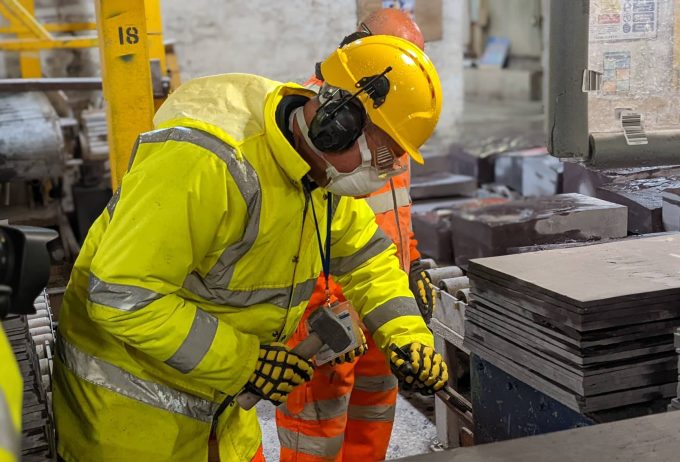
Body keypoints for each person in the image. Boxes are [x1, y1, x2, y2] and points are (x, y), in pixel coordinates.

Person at [52, 35, 447, 462]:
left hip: (219, 405)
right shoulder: (206, 163)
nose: (383, 173)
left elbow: (368, 260)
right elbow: (121, 294)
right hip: (131, 418)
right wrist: (247, 363)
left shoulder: (319, 172)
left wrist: (408, 338)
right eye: (385, 155)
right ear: (339, 124)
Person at [276, 9, 437, 462]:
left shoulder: (395, 116)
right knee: (316, 429)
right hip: (328, 310)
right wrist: (321, 307)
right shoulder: (315, 122)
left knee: (374, 411)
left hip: (381, 296)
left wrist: (412, 265)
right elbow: (294, 231)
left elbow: (396, 210)